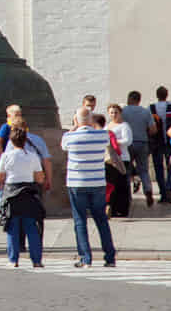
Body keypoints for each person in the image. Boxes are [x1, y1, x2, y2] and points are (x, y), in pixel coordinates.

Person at [62, 105, 119, 268]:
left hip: (76, 183)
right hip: (97, 182)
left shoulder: (69, 137)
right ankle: (110, 257)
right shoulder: (102, 135)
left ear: (76, 120)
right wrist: (91, 122)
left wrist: (75, 125)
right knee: (101, 220)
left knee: (80, 220)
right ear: (92, 120)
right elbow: (103, 135)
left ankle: (85, 258)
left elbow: (63, 145)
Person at [0, 124, 49, 268]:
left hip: (11, 192)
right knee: (31, 226)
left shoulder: (6, 156)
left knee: (12, 227)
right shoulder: (32, 156)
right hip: (28, 191)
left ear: (11, 141)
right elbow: (39, 177)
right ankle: (36, 260)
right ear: (25, 140)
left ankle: (13, 260)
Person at [122, 90, 156, 207]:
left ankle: (127, 195)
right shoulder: (145, 111)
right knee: (144, 170)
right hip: (142, 143)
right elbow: (153, 130)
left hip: (127, 144)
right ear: (139, 100)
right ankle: (148, 191)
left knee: (126, 170)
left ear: (129, 99)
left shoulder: (123, 111)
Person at [152, 86, 171, 203]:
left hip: (156, 143)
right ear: (167, 95)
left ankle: (163, 193)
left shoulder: (151, 108)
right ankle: (169, 187)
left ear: (157, 95)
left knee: (158, 168)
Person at [105, 105, 134, 218]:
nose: (113, 115)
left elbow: (128, 141)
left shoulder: (124, 126)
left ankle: (122, 209)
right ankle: (111, 206)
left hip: (122, 158)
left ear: (120, 113)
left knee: (122, 184)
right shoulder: (107, 126)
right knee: (111, 184)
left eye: (115, 112)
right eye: (111, 112)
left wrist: (114, 141)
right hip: (110, 159)